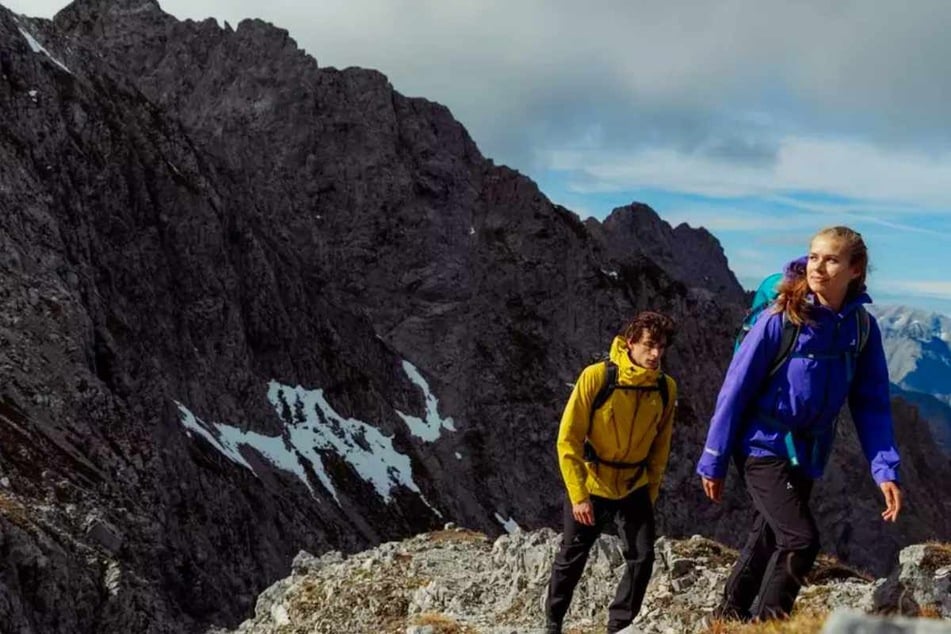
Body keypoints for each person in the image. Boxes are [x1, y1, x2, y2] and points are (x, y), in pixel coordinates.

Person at [696, 225, 902, 622]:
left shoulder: (861, 329)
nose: (818, 267)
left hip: (808, 449)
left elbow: (871, 404)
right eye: (813, 256)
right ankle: (767, 626)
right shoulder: (781, 319)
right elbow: (735, 388)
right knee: (801, 541)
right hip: (761, 444)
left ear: (855, 269)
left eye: (831, 259)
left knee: (767, 537)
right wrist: (714, 456)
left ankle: (726, 620)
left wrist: (885, 470)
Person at [545, 311, 678, 634]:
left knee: (643, 558)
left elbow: (661, 446)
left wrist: (650, 492)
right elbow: (568, 439)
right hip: (592, 482)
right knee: (572, 557)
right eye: (649, 345)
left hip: (634, 485)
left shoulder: (665, 387)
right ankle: (552, 623)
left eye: (661, 346)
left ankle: (619, 626)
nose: (656, 353)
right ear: (630, 342)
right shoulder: (597, 377)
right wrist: (579, 496)